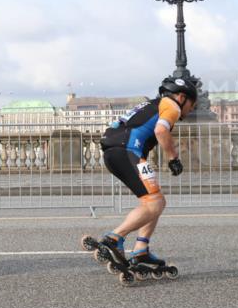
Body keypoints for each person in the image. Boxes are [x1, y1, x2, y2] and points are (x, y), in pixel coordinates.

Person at [82, 76, 198, 284]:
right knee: (156, 202)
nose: (191, 109)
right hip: (127, 150)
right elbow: (161, 131)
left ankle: (141, 249)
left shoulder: (152, 104)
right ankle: (114, 239)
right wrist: (173, 158)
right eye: (192, 104)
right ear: (182, 97)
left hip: (115, 151)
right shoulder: (172, 106)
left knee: (154, 200)